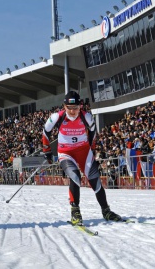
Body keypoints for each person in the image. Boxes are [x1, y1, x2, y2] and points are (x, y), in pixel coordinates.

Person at [42, 91, 123, 225]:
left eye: (76, 108)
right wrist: (47, 150)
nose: (73, 111)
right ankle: (75, 212)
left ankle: (106, 211)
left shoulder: (87, 117)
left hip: (83, 152)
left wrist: (92, 150)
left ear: (80, 106)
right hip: (66, 152)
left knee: (95, 180)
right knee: (75, 177)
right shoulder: (57, 117)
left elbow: (93, 133)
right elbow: (46, 131)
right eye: (69, 108)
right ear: (64, 106)